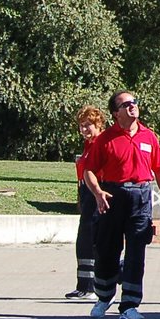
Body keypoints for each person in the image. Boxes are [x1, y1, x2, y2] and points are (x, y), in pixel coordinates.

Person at [81, 90, 160, 319]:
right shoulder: (105, 139)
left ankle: (130, 305)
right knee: (107, 250)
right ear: (116, 113)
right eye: (127, 104)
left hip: (141, 197)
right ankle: (104, 296)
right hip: (113, 196)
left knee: (136, 252)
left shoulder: (149, 136)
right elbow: (89, 170)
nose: (133, 106)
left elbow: (159, 169)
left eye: (135, 102)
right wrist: (98, 193)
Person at [64, 105, 106, 301]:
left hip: (97, 194)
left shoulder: (101, 143)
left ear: (98, 124)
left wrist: (98, 194)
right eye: (81, 126)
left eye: (88, 125)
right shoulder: (89, 145)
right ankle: (85, 285)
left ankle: (90, 286)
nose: (84, 130)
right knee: (85, 241)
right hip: (87, 194)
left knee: (90, 241)